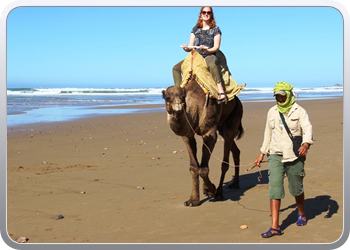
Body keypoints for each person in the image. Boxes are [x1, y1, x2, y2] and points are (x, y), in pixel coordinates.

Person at [254, 81, 313, 238]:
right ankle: (275, 227)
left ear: (289, 95)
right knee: (274, 189)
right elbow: (268, 133)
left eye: (282, 96)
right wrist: (262, 153)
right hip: (275, 155)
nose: (280, 99)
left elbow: (307, 128)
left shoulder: (299, 111)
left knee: (296, 188)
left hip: (294, 155)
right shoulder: (272, 112)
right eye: (277, 96)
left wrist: (306, 144)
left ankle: (301, 213)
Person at [172, 7, 227, 102]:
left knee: (212, 65)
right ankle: (179, 90)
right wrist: (186, 48)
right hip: (195, 56)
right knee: (176, 68)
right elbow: (191, 47)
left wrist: (207, 50)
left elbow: (216, 47)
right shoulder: (195, 29)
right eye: (204, 12)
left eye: (208, 12)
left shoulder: (216, 29)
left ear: (211, 15)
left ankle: (221, 90)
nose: (206, 14)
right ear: (200, 14)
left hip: (209, 55)